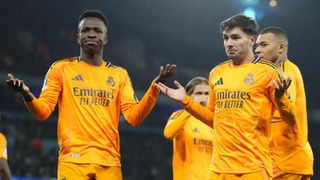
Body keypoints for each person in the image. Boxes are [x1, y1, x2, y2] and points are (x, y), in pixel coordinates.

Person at [6, 9, 176, 180]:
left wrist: (154, 89)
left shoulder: (120, 75)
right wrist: (27, 94)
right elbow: (43, 112)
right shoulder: (61, 69)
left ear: (105, 39)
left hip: (109, 163)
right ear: (78, 37)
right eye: (85, 30)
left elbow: (133, 117)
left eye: (97, 31)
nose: (91, 34)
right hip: (72, 162)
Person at [156, 14, 296, 180]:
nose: (229, 43)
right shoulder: (216, 73)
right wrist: (186, 101)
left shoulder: (269, 73)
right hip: (218, 169)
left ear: (252, 40)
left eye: (235, 37)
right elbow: (213, 119)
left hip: (252, 168)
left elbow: (291, 120)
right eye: (226, 38)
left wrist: (281, 99)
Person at [255, 26, 314, 180]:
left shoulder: (281, 72)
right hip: (291, 159)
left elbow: (288, 113)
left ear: (281, 47)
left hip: (282, 160)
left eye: (264, 45)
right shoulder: (288, 69)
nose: (257, 50)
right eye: (257, 45)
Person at [164, 76, 213, 180]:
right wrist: (190, 108)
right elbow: (168, 134)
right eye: (199, 93)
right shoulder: (179, 115)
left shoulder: (213, 121)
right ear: (189, 96)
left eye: (207, 93)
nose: (203, 97)